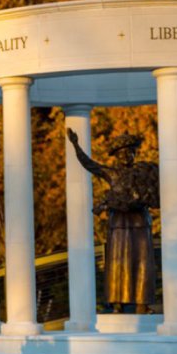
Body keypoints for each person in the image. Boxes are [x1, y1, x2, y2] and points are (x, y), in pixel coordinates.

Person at [67, 130, 159, 314]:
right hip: (119, 223)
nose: (127, 155)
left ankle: (143, 303)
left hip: (140, 222)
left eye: (131, 151)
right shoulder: (112, 173)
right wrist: (76, 145)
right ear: (116, 156)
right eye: (123, 152)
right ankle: (117, 302)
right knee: (118, 261)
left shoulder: (144, 172)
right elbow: (90, 164)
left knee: (142, 262)